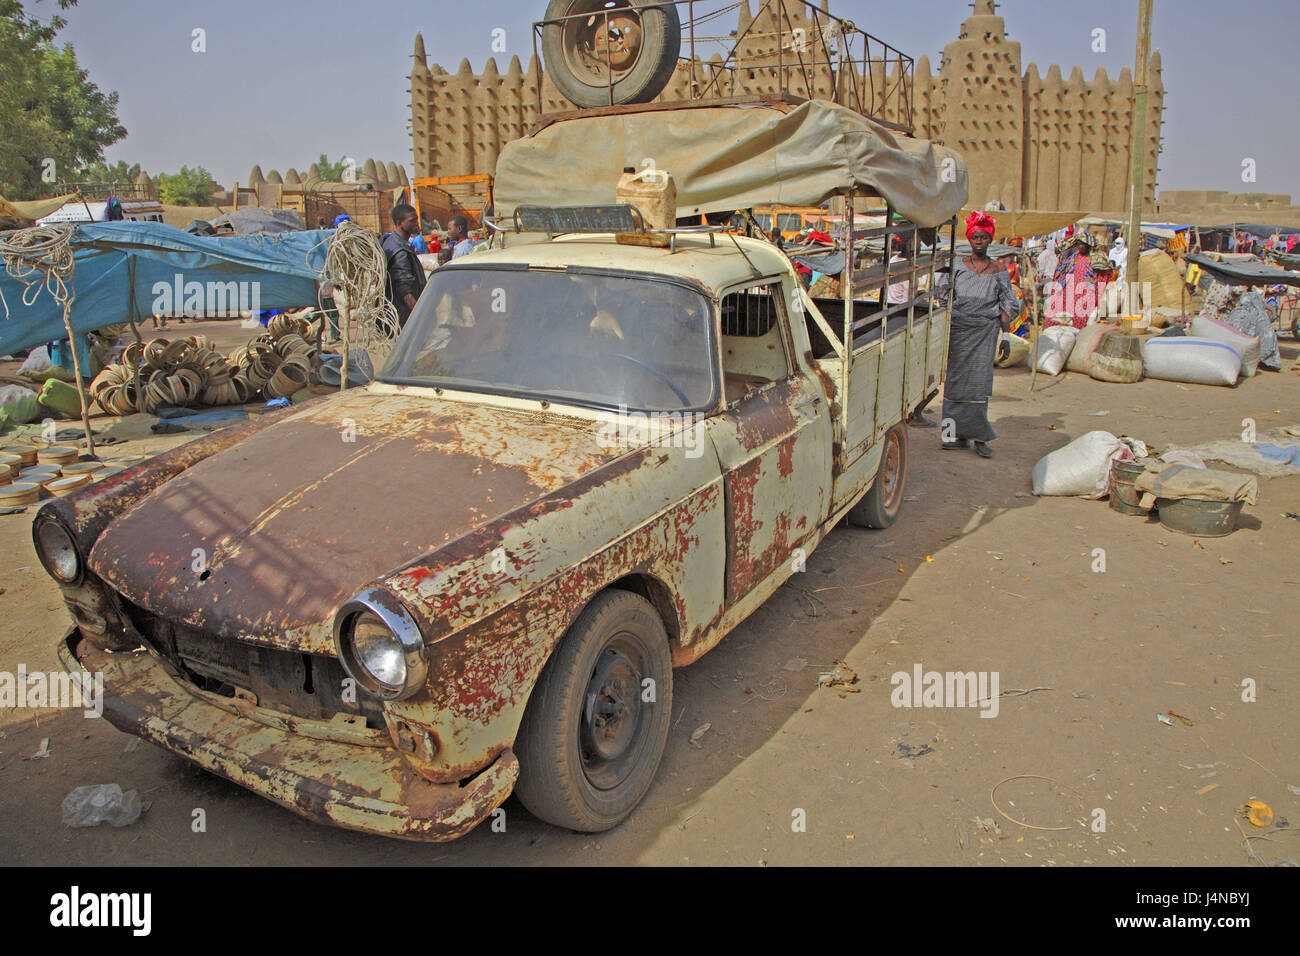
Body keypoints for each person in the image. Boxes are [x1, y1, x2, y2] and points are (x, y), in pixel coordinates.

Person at [934, 211, 1019, 458]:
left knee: (979, 386)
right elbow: (942, 295)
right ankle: (950, 437)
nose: (979, 241)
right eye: (975, 238)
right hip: (958, 332)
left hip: (985, 333)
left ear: (990, 240)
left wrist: (1005, 337)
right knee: (955, 385)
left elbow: (1009, 304)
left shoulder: (999, 269)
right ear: (970, 240)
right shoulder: (958, 266)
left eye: (983, 237)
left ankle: (980, 438)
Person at [381, 204, 428, 329]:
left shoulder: (392, 242)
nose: (417, 223)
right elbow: (403, 289)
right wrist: (419, 314)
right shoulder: (399, 250)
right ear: (400, 223)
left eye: (416, 219)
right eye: (412, 221)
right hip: (405, 314)